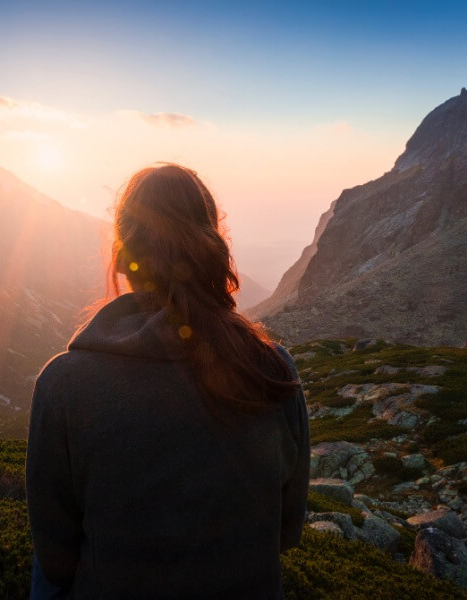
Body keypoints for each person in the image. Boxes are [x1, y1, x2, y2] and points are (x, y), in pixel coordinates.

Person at [26, 163, 310, 600]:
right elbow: (286, 532)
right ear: (210, 247)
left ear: (123, 255)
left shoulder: (63, 384)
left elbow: (56, 556)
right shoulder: (272, 370)